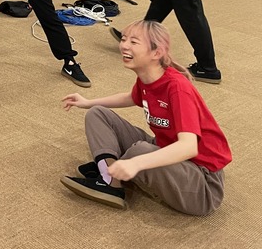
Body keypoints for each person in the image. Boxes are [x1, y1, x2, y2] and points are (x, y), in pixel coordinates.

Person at [61, 20, 230, 215]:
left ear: (156, 53)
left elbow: (188, 147)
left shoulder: (177, 88)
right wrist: (88, 102)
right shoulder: (148, 78)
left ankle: (110, 172)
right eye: (124, 39)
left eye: (134, 42)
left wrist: (136, 163)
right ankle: (111, 179)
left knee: (139, 152)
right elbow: (130, 97)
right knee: (97, 114)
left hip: (203, 185)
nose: (124, 46)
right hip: (165, 149)